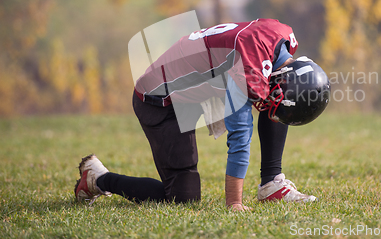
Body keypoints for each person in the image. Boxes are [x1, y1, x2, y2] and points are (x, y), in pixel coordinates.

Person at [75, 19, 330, 211]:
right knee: (182, 197)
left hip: (200, 83)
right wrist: (234, 202)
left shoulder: (280, 38)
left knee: (275, 98)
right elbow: (240, 133)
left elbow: (270, 85)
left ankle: (271, 183)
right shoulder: (248, 61)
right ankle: (99, 178)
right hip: (159, 101)